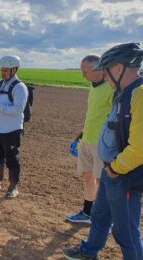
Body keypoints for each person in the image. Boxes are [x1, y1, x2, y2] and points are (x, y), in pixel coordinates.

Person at [63, 42, 143, 260]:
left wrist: (115, 168)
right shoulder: (123, 92)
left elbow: (140, 147)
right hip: (112, 171)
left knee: (125, 232)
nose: (104, 77)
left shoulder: (140, 94)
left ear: (118, 68)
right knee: (99, 216)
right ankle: (89, 252)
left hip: (125, 175)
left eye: (106, 71)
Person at [66, 55, 113, 224]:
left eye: (85, 71)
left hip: (103, 144)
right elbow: (92, 117)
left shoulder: (111, 88)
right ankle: (87, 213)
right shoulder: (93, 87)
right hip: (87, 141)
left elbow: (115, 119)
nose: (82, 75)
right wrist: (79, 137)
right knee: (88, 178)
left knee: (104, 182)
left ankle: (106, 219)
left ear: (97, 69)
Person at [0, 55, 28, 198]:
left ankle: (13, 186)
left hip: (11, 130)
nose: (3, 72)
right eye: (2, 70)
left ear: (14, 70)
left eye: (6, 70)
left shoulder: (20, 87)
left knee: (12, 159)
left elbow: (18, 109)